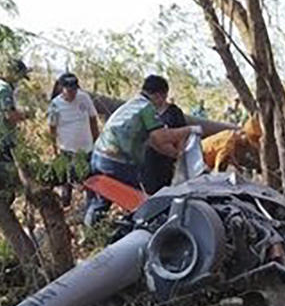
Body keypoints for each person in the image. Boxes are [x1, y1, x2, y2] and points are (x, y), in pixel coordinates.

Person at [84, 75, 200, 226]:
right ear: (159, 95)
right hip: (119, 163)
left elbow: (154, 142)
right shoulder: (147, 108)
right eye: (163, 98)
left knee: (101, 201)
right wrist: (189, 129)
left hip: (99, 158)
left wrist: (176, 155)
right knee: (140, 206)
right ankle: (139, 233)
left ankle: (91, 233)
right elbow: (161, 138)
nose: (163, 103)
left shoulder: (132, 105)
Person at [47, 72, 99, 205]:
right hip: (67, 150)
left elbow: (93, 119)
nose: (72, 93)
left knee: (90, 181)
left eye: (74, 90)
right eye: (69, 90)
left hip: (86, 148)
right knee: (66, 182)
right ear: (61, 88)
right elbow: (52, 129)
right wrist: (54, 149)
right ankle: (65, 205)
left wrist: (96, 140)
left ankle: (90, 209)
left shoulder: (84, 98)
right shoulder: (55, 105)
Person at [0, 58, 29, 165]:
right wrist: (25, 115)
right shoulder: (4, 90)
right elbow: (10, 115)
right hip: (2, 141)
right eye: (19, 76)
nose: (19, 81)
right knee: (5, 173)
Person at [141, 102, 187, 194]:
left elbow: (182, 137)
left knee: (161, 191)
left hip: (165, 161)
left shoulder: (173, 113)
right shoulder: (146, 112)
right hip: (147, 161)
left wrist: (179, 156)